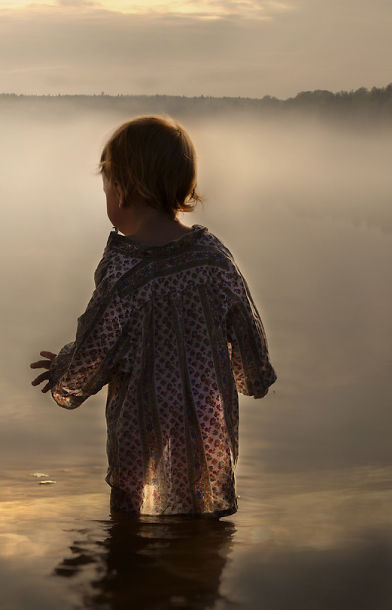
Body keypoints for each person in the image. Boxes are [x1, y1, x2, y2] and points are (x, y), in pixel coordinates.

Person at [30, 115, 276, 517]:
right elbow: (249, 341)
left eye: (106, 187)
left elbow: (96, 349)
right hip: (208, 440)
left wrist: (63, 372)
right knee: (203, 532)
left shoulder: (126, 274)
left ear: (121, 191)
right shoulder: (215, 260)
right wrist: (251, 375)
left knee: (130, 536)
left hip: (139, 443)